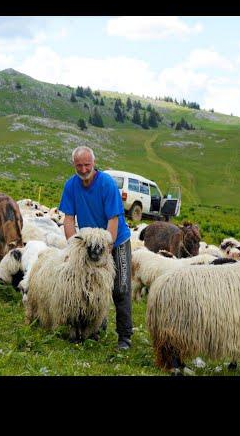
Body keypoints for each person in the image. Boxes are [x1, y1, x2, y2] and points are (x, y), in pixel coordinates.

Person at [59, 146, 133, 350]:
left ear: (94, 163)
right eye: (79, 165)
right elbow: (68, 219)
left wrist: (107, 250)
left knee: (120, 287)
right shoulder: (71, 186)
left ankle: (125, 337)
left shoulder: (107, 184)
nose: (83, 169)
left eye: (87, 165)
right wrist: (72, 247)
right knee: (90, 286)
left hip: (115, 241)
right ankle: (95, 328)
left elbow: (113, 219)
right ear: (74, 165)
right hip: (87, 242)